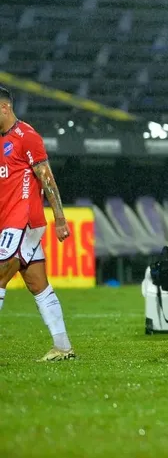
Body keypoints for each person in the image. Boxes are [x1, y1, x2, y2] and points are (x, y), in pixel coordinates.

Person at [0, 86, 75, 362]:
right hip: (9, 222)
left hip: (23, 221)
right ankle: (63, 347)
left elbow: (47, 178)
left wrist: (60, 219)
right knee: (38, 285)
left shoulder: (26, 136)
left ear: (5, 107)